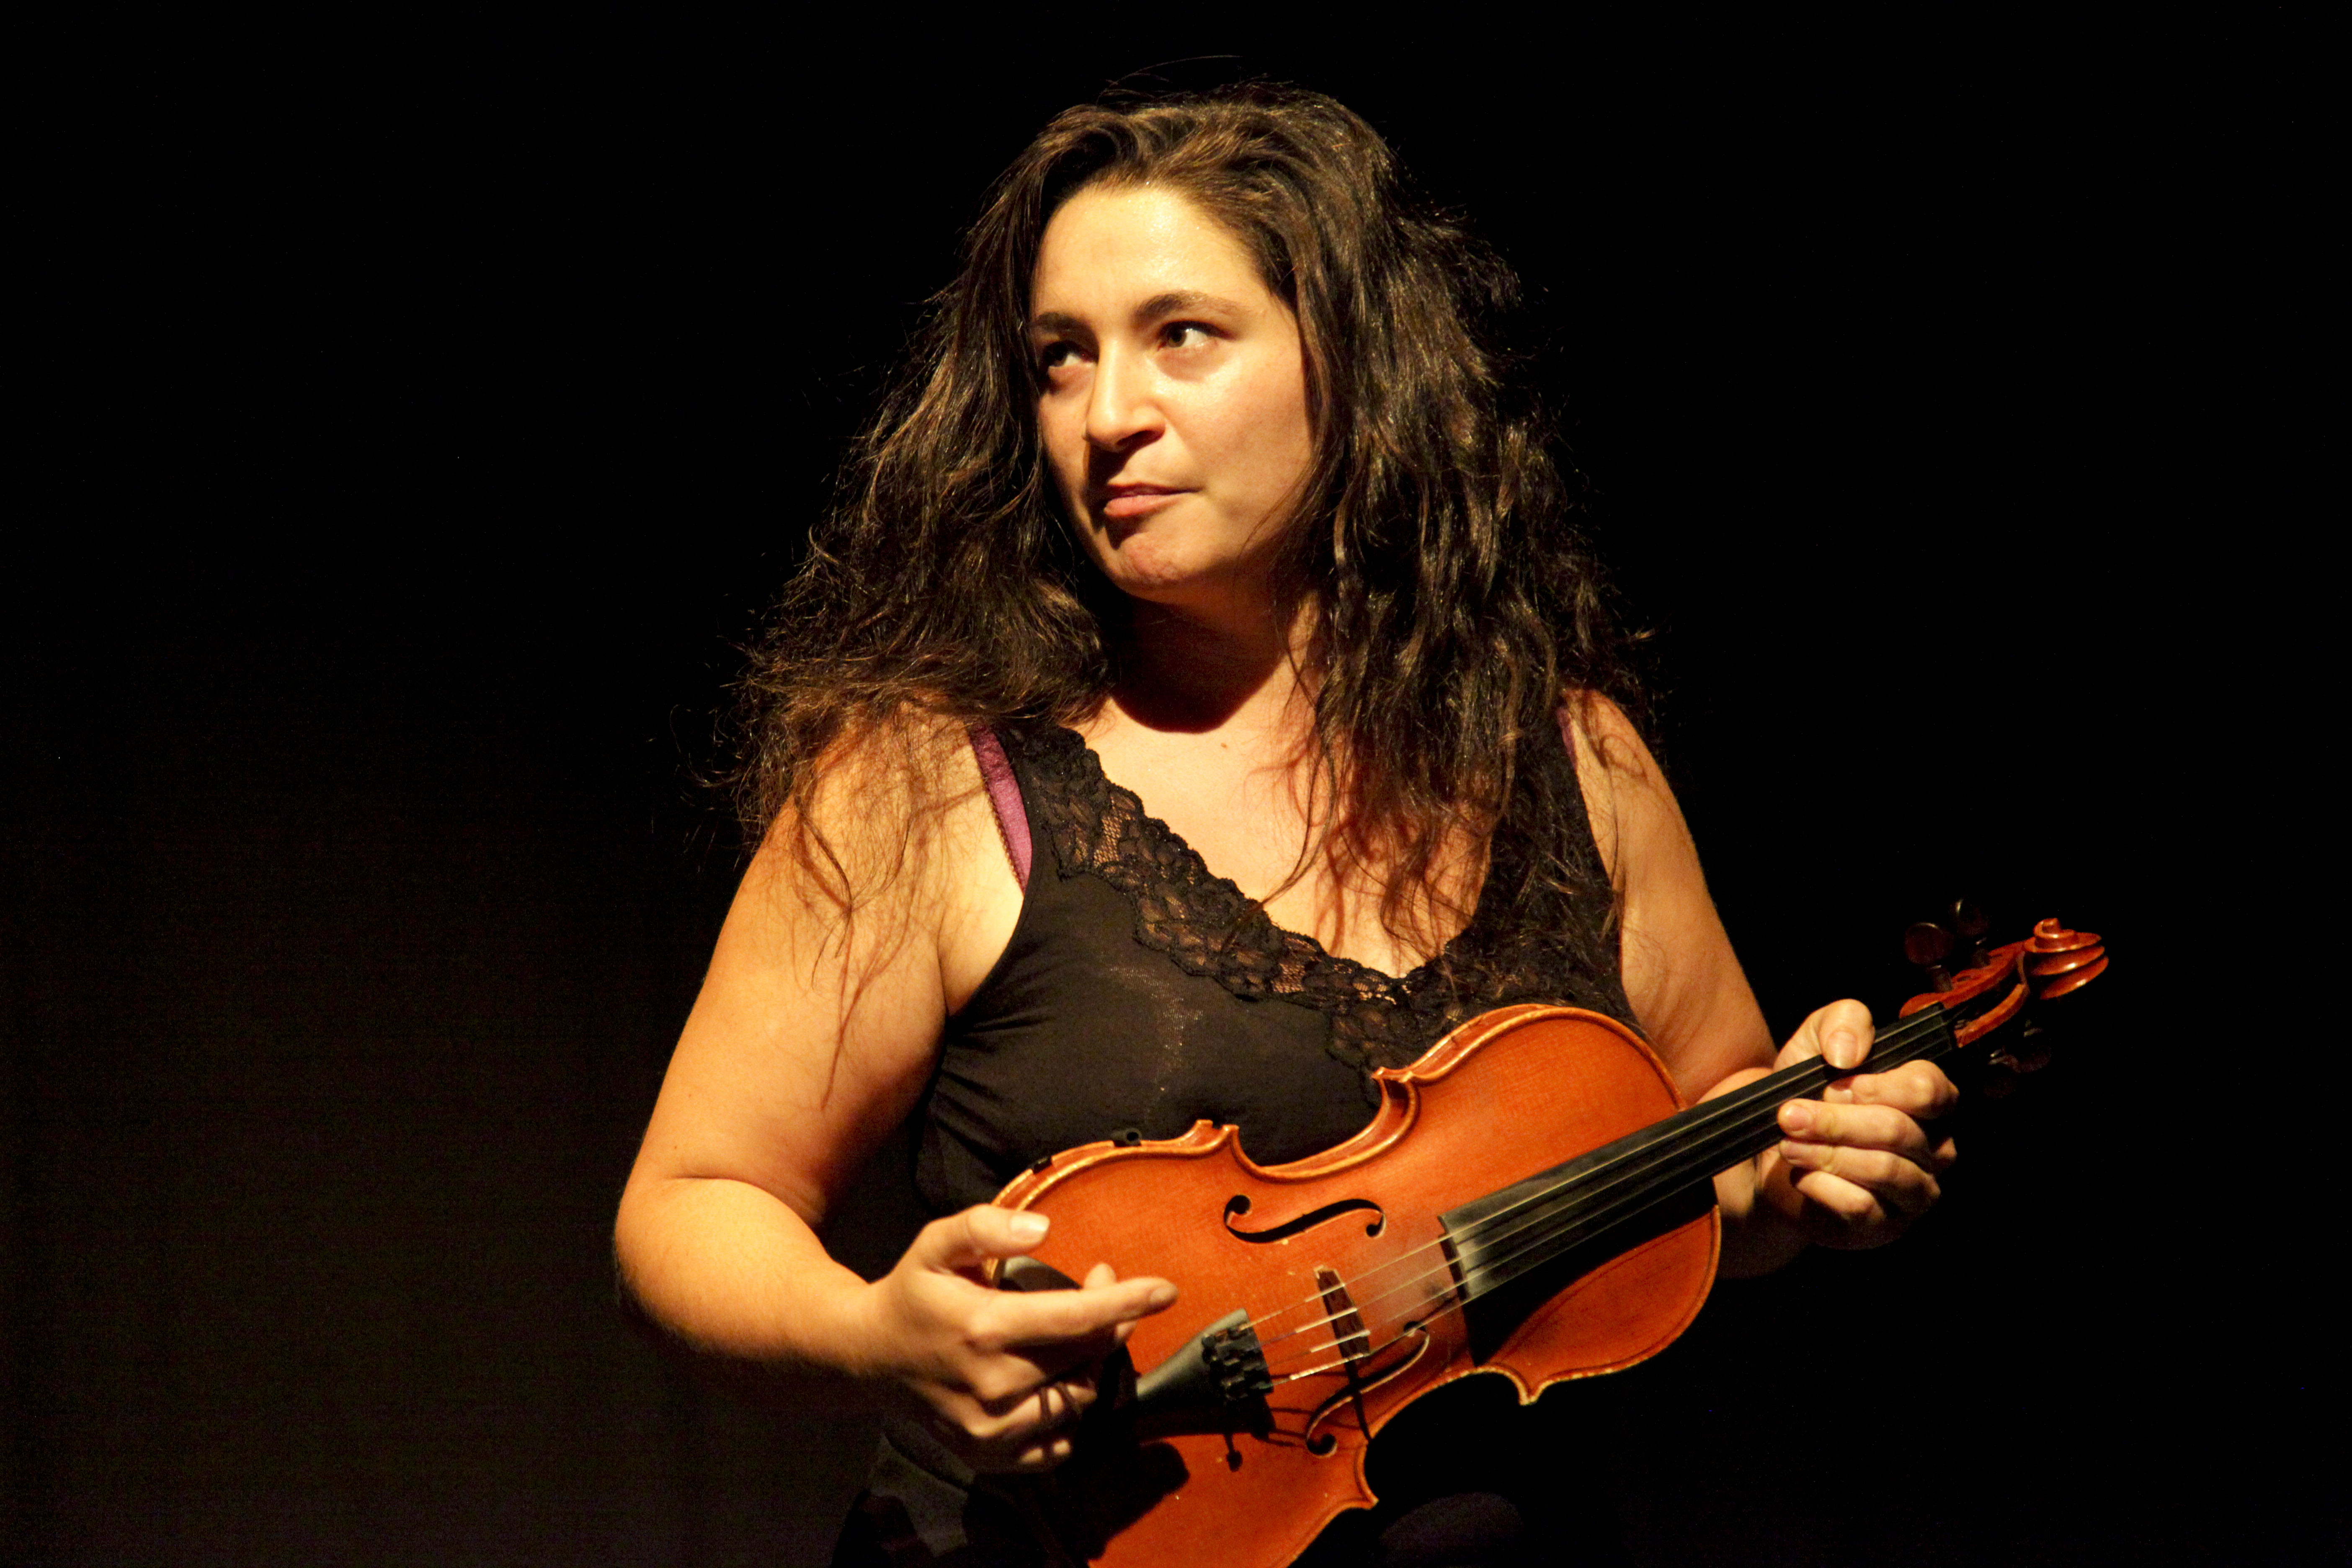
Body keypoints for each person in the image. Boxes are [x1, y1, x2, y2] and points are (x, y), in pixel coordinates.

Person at [614, 85, 1957, 1567]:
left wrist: (1800, 1166)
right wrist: (875, 1333)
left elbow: (1713, 1154)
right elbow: (693, 1201)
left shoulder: (1574, 758)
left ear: (1354, 363)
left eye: (1182, 335)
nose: (1108, 416)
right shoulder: (931, 784)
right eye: (1061, 359)